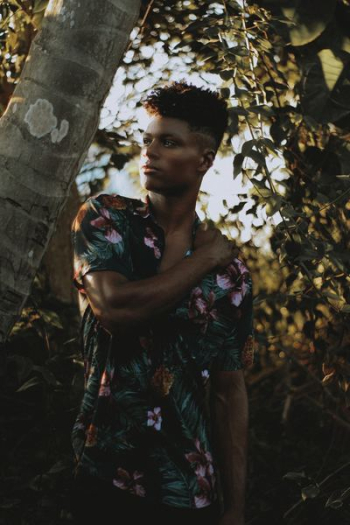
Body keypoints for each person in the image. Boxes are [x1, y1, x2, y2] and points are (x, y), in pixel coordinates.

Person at [69, 81, 255, 525]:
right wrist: (204, 259)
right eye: (147, 139)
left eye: (169, 142)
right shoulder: (106, 219)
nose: (149, 152)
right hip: (105, 474)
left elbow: (229, 394)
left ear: (205, 159)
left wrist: (236, 509)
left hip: (189, 492)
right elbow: (116, 310)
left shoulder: (232, 277)